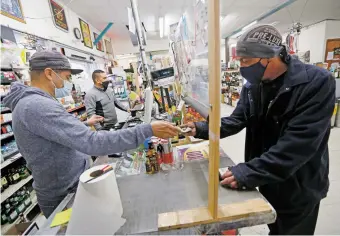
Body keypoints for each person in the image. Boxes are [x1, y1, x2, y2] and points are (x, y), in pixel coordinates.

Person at [183, 25, 335, 235]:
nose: (242, 68)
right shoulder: (253, 85)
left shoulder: (316, 83)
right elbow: (236, 120)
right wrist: (199, 129)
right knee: (274, 226)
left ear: (270, 57)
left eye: (246, 61)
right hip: (268, 177)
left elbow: (298, 145)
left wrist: (248, 172)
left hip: (299, 186)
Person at [3, 51, 179, 218]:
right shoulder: (36, 105)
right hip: (63, 195)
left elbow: (53, 133)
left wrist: (84, 123)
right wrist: (147, 129)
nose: (68, 82)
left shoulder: (33, 103)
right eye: (66, 77)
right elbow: (92, 142)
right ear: (49, 73)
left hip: (67, 185)